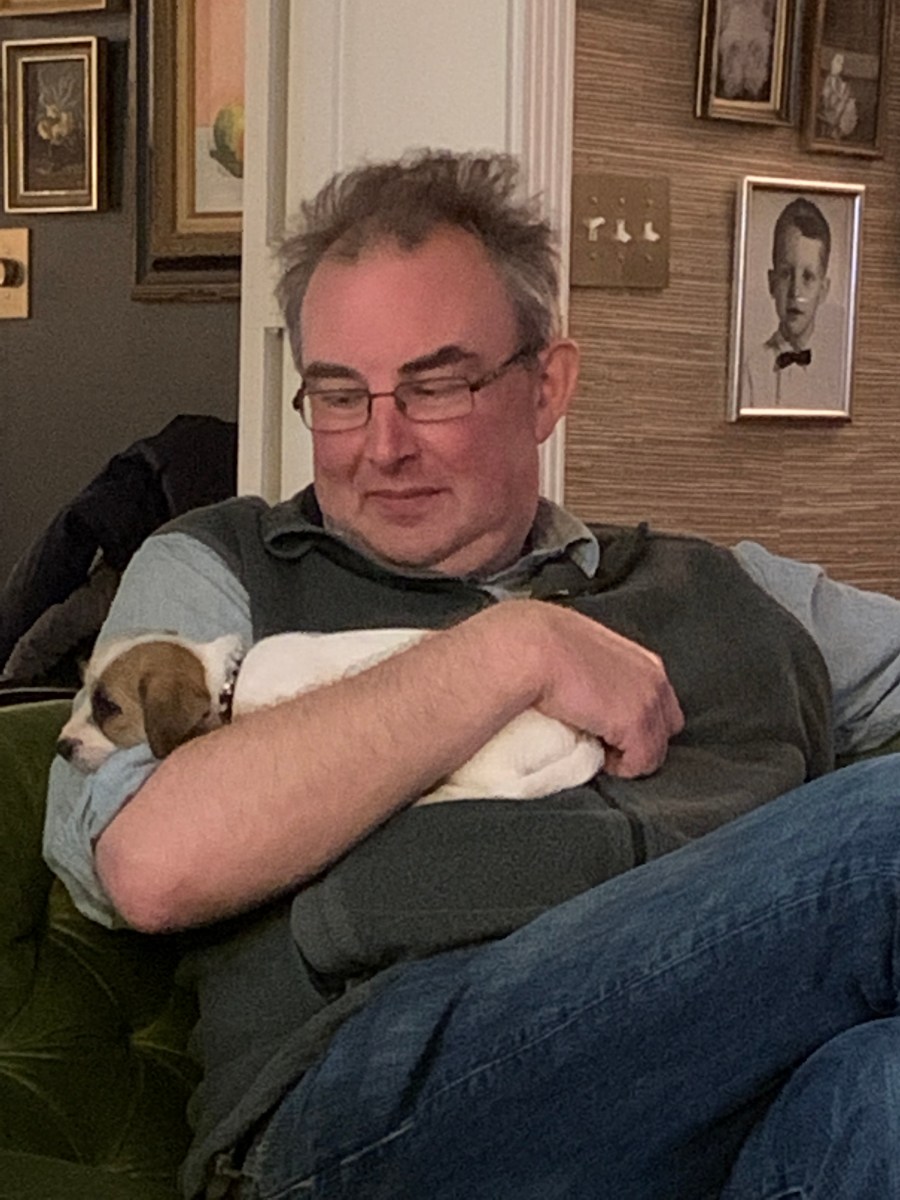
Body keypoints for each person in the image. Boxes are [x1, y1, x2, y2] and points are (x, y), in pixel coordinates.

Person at [44, 149, 900, 1200]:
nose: (382, 445)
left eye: (436, 386)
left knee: (883, 1092)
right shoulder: (221, 569)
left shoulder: (720, 589)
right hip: (378, 1102)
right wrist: (511, 652)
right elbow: (148, 863)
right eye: (340, 396)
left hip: (712, 1102)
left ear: (548, 387)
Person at [740, 196, 844, 411]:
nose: (795, 292)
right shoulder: (751, 370)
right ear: (771, 283)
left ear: (823, 290)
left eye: (808, 277)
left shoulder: (837, 372)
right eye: (786, 274)